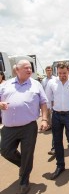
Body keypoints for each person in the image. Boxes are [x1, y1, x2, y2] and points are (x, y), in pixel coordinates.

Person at [0, 60, 48, 194]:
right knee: (5, 151)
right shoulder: (5, 85)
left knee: (27, 154)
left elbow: (44, 103)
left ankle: (24, 181)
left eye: (30, 68)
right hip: (9, 127)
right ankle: (24, 164)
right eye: (26, 68)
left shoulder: (36, 84)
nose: (29, 70)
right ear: (17, 70)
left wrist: (44, 119)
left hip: (28, 127)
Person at [45, 61, 69, 180]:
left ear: (68, 70)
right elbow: (47, 100)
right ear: (57, 72)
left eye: (64, 73)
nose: (62, 75)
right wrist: (46, 118)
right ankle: (60, 166)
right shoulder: (52, 82)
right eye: (60, 73)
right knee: (57, 141)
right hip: (56, 115)